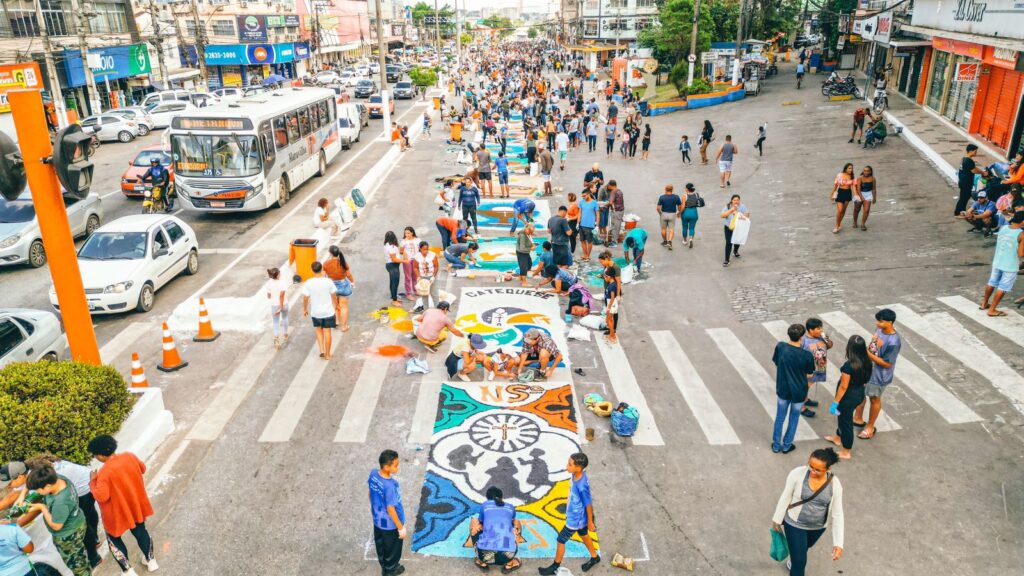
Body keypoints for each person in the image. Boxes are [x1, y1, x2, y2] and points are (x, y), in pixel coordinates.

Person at [86, 435, 157, 576]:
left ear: (100, 455)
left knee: (114, 539)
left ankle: (128, 571)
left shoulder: (103, 473)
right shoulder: (129, 456)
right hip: (134, 505)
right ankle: (151, 561)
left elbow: (101, 496)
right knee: (140, 531)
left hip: (116, 513)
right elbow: (142, 468)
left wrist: (93, 481)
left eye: (94, 455)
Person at [772, 448, 845, 576]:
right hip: (794, 524)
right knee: (800, 563)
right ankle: (795, 561)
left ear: (828, 469)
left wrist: (838, 544)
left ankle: (794, 558)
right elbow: (785, 497)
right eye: (810, 466)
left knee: (803, 548)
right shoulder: (797, 474)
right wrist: (777, 521)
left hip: (817, 528)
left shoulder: (835, 484)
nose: (812, 471)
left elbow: (838, 514)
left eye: (818, 470)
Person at [22, 454, 100, 568]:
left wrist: (42, 508)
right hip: (78, 520)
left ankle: (92, 558)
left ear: (47, 485)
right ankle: (90, 550)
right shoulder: (58, 478)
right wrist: (22, 497)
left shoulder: (60, 502)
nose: (37, 492)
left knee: (77, 564)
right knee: (85, 533)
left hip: (68, 533)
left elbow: (57, 526)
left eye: (38, 489)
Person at [537, 453, 601, 575]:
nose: (567, 466)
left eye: (570, 464)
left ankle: (555, 566)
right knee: (584, 535)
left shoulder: (581, 486)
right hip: (578, 516)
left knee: (561, 540)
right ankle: (594, 557)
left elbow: (588, 503)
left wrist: (590, 521)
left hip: (575, 519)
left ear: (579, 468)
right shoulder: (575, 474)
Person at [853, 308, 902, 440]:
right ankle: (857, 418)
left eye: (880, 321)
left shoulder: (894, 342)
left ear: (890, 322)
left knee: (874, 398)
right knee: (861, 392)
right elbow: (873, 346)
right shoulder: (879, 330)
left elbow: (887, 364)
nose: (877, 323)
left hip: (879, 375)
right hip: (867, 368)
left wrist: (867, 354)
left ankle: (870, 427)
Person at [824, 336, 872, 460]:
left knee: (846, 423)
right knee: (843, 418)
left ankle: (846, 451)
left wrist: (835, 402)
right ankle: (837, 438)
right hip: (859, 392)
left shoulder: (849, 366)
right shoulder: (867, 361)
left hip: (847, 397)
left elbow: (843, 387)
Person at [772, 323, 815, 454]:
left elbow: (776, 362)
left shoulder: (780, 347)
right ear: (802, 337)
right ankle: (787, 445)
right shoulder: (806, 355)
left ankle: (776, 445)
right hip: (799, 392)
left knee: (780, 418)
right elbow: (810, 374)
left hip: (783, 389)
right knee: (794, 418)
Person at [368, 450, 406, 576]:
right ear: (386, 467)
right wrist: (400, 527)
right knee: (393, 550)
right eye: (395, 465)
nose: (398, 467)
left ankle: (386, 568)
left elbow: (370, 493)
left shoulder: (373, 474)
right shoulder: (389, 486)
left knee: (382, 547)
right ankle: (390, 571)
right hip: (390, 525)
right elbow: (391, 509)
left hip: (378, 520)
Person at [980, 211, 1024, 317]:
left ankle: (984, 303)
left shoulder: (1003, 228)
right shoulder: (1022, 234)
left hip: (998, 260)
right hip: (1010, 265)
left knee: (992, 282)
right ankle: (992, 309)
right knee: (1003, 287)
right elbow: (1021, 253)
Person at [470, 487, 522, 572]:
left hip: (484, 556)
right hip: (508, 556)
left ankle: (482, 563)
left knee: (474, 521)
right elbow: (512, 521)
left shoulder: (485, 505)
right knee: (517, 522)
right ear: (501, 497)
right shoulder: (510, 506)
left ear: (487, 498)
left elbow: (480, 522)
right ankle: (510, 564)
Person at [303, 261, 337, 360]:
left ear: (312, 270)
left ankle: (321, 350)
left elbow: (305, 298)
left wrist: (305, 309)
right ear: (322, 269)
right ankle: (327, 354)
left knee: (318, 330)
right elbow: (333, 295)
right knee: (327, 332)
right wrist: (337, 305)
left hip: (315, 312)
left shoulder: (309, 283)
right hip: (328, 312)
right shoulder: (328, 281)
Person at [800, 318, 833, 418]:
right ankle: (801, 407)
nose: (821, 330)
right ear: (810, 330)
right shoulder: (803, 341)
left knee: (808, 386)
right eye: (818, 329)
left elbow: (830, 345)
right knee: (805, 387)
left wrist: (826, 339)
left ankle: (805, 400)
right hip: (809, 369)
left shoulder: (821, 337)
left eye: (821, 328)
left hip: (820, 366)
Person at [324, 245, 355, 331]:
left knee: (336, 305)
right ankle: (344, 327)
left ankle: (337, 322)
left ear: (330, 253)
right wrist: (352, 282)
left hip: (332, 286)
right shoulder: (343, 263)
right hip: (343, 285)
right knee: (343, 307)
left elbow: (323, 276)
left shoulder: (326, 264)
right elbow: (348, 274)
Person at [956, 145, 986, 216]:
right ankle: (958, 212)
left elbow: (974, 168)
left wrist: (982, 171)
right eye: (975, 151)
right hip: (966, 182)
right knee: (964, 198)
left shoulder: (964, 159)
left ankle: (962, 211)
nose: (976, 153)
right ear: (970, 151)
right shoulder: (968, 160)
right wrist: (983, 172)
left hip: (963, 181)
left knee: (965, 197)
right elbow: (974, 170)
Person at [720, 194, 748, 267]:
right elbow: (722, 215)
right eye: (734, 200)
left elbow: (747, 215)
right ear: (731, 200)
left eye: (738, 200)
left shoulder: (742, 206)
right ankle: (727, 260)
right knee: (729, 242)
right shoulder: (728, 206)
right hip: (728, 227)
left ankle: (735, 251)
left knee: (738, 240)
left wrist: (741, 215)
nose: (736, 201)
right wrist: (731, 210)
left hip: (738, 227)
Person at [265, 267, 290, 347]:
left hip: (274, 305)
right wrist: (281, 307)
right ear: (278, 275)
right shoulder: (283, 283)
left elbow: (269, 296)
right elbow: (282, 296)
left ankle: (276, 338)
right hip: (284, 304)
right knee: (285, 318)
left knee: (275, 322)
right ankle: (285, 334)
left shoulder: (269, 283)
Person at [412, 241, 439, 313]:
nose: (426, 251)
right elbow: (415, 267)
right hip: (422, 277)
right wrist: (418, 276)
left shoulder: (432, 255)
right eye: (424, 249)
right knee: (424, 294)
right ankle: (426, 311)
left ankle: (438, 310)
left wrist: (433, 276)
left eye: (427, 249)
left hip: (431, 277)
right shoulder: (417, 256)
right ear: (420, 249)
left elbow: (436, 266)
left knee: (434, 294)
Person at [384, 231, 408, 308]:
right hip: (393, 266)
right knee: (395, 283)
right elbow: (394, 259)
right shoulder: (392, 247)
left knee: (392, 282)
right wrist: (404, 261)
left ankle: (394, 297)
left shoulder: (386, 244)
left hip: (389, 265)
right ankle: (394, 300)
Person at [831, 163, 856, 234]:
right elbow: (836, 185)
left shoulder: (852, 176)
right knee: (840, 210)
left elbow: (853, 187)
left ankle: (839, 224)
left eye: (851, 168)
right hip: (840, 192)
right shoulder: (840, 175)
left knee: (843, 211)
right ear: (845, 168)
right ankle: (837, 225)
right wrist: (832, 193)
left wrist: (856, 195)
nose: (851, 170)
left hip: (848, 193)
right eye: (849, 168)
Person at [656, 184, 682, 249]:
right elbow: (679, 206)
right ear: (672, 190)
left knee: (663, 229)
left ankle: (665, 241)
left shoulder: (662, 197)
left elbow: (658, 208)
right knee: (671, 229)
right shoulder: (676, 197)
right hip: (672, 214)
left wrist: (660, 213)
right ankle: (670, 241)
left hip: (664, 214)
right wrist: (679, 213)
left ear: (665, 189)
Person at [577, 189, 599, 261]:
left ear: (588, 194)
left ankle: (588, 256)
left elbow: (597, 214)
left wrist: (597, 225)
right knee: (582, 240)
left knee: (589, 241)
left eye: (584, 196)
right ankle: (585, 254)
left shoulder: (594, 203)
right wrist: (578, 222)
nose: (583, 197)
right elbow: (579, 212)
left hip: (590, 225)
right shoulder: (581, 202)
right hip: (581, 225)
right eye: (582, 196)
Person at [852, 165, 876, 231]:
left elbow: (874, 189)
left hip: (868, 194)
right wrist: (861, 197)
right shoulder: (860, 178)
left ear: (870, 172)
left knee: (867, 210)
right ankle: (855, 222)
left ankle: (863, 224)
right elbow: (858, 189)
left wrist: (874, 198)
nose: (866, 172)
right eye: (864, 171)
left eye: (867, 171)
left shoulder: (873, 179)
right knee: (857, 209)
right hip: (860, 194)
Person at [399, 227, 419, 302]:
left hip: (416, 260)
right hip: (407, 261)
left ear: (412, 233)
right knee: (408, 277)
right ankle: (408, 293)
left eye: (408, 233)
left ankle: (415, 290)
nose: (406, 234)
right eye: (405, 233)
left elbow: (420, 249)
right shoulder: (403, 241)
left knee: (415, 276)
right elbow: (400, 251)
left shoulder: (417, 240)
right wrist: (404, 253)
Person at [603, 266, 621, 344]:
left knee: (609, 320)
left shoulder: (612, 285)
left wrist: (608, 308)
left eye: (605, 276)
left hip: (611, 304)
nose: (604, 278)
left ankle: (613, 336)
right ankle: (611, 333)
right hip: (611, 303)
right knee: (610, 320)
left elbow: (613, 297)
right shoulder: (612, 283)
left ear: (609, 277)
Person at [605, 180, 625, 247]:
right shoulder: (619, 191)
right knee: (618, 226)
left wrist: (605, 204)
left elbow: (610, 202)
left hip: (616, 211)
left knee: (614, 227)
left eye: (609, 185)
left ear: (611, 185)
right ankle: (615, 240)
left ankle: (614, 242)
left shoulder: (613, 192)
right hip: (621, 211)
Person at [680, 183, 700, 248]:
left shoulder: (684, 196)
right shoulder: (697, 195)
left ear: (687, 189)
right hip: (694, 212)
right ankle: (691, 239)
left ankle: (685, 240)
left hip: (686, 212)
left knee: (685, 227)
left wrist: (679, 213)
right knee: (692, 228)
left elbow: (683, 207)